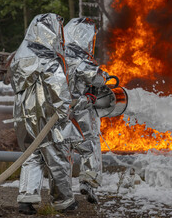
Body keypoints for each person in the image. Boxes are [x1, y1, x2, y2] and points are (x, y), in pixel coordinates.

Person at [10, 13, 82, 215]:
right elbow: (58, 87)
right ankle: (64, 201)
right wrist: (66, 108)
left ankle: (26, 198)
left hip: (23, 115)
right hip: (46, 114)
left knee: (32, 154)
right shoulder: (48, 56)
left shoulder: (20, 55)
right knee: (57, 155)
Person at [64, 17, 109, 204]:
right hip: (80, 111)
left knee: (61, 150)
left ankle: (61, 192)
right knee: (89, 146)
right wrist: (104, 75)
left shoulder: (58, 58)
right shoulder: (81, 61)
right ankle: (88, 181)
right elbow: (98, 79)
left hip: (59, 113)